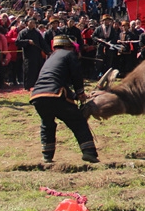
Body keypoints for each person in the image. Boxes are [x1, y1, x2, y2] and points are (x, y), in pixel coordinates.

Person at [29, 35, 98, 163]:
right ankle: (89, 152)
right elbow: (76, 75)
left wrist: (74, 95)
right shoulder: (69, 55)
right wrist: (80, 93)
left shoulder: (51, 57)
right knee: (78, 121)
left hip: (38, 95)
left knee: (47, 124)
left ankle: (47, 155)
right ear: (67, 46)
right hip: (55, 94)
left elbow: (54, 79)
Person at [16, 17, 51, 89]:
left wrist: (48, 51)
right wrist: (27, 41)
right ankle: (28, 86)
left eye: (33, 23)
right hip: (28, 55)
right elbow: (17, 42)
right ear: (27, 23)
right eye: (30, 22)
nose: (32, 24)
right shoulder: (23, 32)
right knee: (29, 71)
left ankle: (37, 85)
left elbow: (42, 43)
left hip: (37, 55)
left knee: (38, 70)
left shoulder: (37, 33)